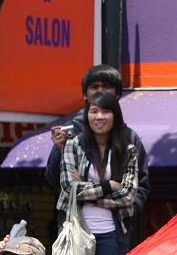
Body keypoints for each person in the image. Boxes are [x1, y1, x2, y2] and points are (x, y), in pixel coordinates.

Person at [44, 63, 150, 219]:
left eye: (107, 87)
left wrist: (125, 211)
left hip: (116, 230)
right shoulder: (69, 132)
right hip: (75, 228)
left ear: (117, 94)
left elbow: (140, 187)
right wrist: (60, 152)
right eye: (94, 87)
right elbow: (53, 181)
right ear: (85, 94)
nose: (100, 91)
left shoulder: (129, 138)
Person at [59, 90, 141, 255]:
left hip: (111, 234)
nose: (99, 117)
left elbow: (128, 195)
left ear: (115, 115)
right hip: (77, 233)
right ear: (87, 115)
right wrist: (108, 185)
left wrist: (86, 194)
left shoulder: (128, 150)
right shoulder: (73, 145)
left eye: (106, 112)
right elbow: (68, 188)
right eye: (93, 111)